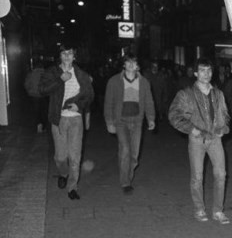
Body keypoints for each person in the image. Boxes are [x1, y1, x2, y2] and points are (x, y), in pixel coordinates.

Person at [168, 58, 231, 224]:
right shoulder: (186, 94)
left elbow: (225, 114)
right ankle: (199, 209)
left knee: (221, 174)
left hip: (215, 139)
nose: (206, 74)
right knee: (197, 176)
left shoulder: (218, 94)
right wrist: (191, 129)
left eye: (209, 70)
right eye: (202, 70)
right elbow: (174, 115)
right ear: (195, 73)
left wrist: (223, 129)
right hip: (197, 139)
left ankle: (218, 210)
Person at [39, 43, 94, 200]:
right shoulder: (52, 72)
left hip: (76, 120)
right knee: (60, 157)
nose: (67, 56)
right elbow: (42, 89)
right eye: (64, 53)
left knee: (75, 156)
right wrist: (60, 80)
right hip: (59, 119)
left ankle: (72, 188)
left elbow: (89, 95)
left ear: (74, 56)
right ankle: (63, 173)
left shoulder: (81, 74)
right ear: (60, 56)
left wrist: (79, 105)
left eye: (70, 53)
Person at [104, 54, 156, 194]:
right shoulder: (114, 81)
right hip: (121, 121)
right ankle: (125, 182)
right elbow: (108, 103)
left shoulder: (144, 82)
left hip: (137, 121)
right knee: (126, 150)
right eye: (128, 62)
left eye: (134, 62)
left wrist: (151, 118)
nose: (132, 64)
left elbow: (149, 101)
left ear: (138, 66)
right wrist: (109, 122)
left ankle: (127, 174)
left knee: (134, 155)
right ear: (124, 65)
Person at [24, 58, 48, 133]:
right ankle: (44, 126)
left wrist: (29, 91)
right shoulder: (46, 74)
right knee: (44, 111)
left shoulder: (31, 74)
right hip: (43, 95)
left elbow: (26, 84)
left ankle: (38, 125)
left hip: (34, 95)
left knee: (36, 111)